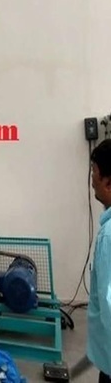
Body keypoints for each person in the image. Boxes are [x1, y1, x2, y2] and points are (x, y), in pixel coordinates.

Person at [88, 139, 111, 382]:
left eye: (94, 171)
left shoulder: (108, 236)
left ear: (109, 182)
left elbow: (109, 304)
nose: (92, 179)